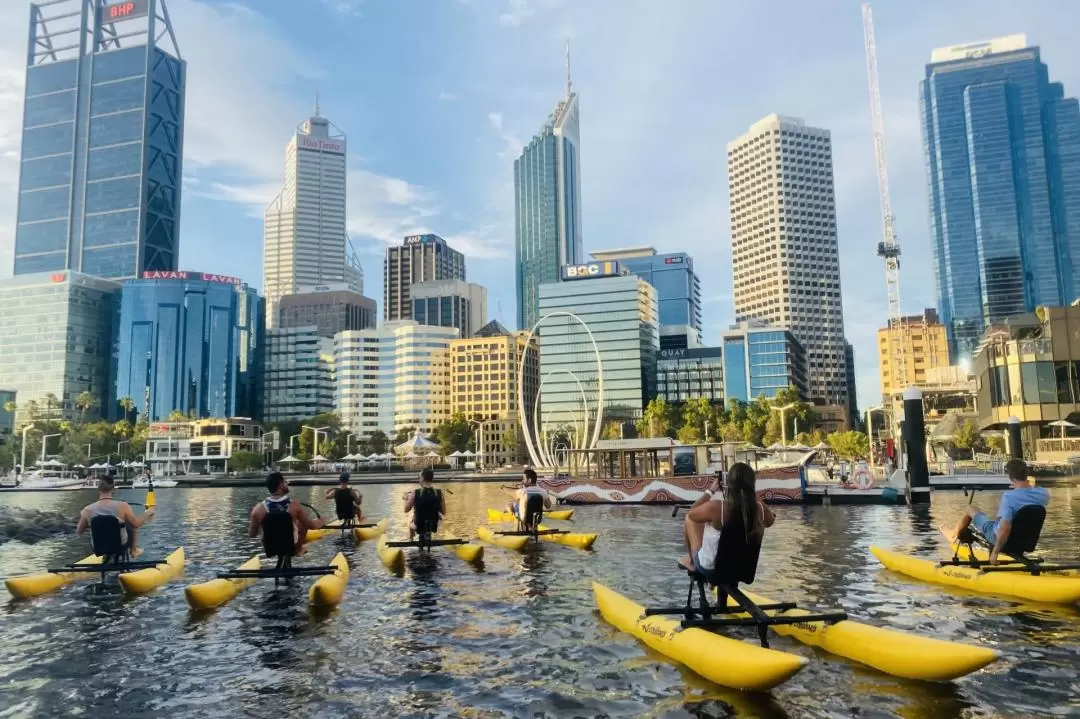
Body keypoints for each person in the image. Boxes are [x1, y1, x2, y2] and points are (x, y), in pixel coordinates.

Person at [942, 458, 1050, 563]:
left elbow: (1005, 528)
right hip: (1026, 541)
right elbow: (1027, 505)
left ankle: (953, 534)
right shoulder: (1043, 493)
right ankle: (955, 533)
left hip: (1002, 539)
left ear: (1011, 477)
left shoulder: (1009, 497)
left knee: (970, 509)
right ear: (1026, 474)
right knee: (998, 516)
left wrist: (995, 552)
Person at [679, 463, 775, 578]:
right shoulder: (761, 510)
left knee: (690, 520)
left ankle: (692, 562)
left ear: (729, 483)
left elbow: (691, 514)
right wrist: (751, 494)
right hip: (743, 571)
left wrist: (711, 490)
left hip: (714, 571)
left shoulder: (717, 508)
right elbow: (770, 521)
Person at [249, 472, 327, 555]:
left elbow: (252, 534)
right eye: (285, 482)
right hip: (290, 548)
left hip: (269, 549)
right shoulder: (294, 505)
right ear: (280, 485)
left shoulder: (257, 509)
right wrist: (320, 522)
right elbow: (311, 526)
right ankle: (298, 549)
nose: (287, 484)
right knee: (302, 523)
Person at [76, 476, 155, 557]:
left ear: (98, 489)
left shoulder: (86, 510)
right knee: (131, 525)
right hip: (120, 546)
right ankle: (133, 551)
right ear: (113, 490)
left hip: (98, 547)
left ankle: (107, 554)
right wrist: (147, 514)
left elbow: (79, 532)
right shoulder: (123, 506)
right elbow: (136, 524)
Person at [404, 468, 445, 541]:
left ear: (422, 478)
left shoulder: (415, 492)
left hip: (418, 525)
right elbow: (444, 511)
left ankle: (411, 538)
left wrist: (406, 498)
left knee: (411, 521)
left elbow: (406, 510)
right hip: (433, 525)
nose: (418, 479)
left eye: (419, 477)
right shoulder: (439, 493)